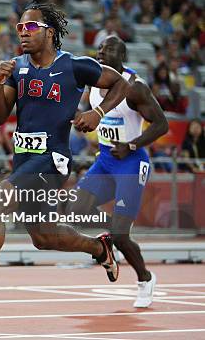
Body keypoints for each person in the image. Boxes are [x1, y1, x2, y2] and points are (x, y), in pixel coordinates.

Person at [0, 2, 129, 320]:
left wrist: (97, 112)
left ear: (49, 33)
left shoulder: (75, 66)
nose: (22, 34)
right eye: (19, 29)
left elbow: (121, 83)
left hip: (52, 159)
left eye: (30, 28)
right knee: (43, 237)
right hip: (24, 159)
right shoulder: (16, 68)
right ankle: (100, 247)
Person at [69, 35, 169, 308]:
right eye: (100, 47)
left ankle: (145, 279)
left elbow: (162, 125)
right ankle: (106, 243)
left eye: (109, 48)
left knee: (122, 235)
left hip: (131, 162)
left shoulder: (135, 88)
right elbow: (94, 114)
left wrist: (132, 144)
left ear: (121, 55)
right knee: (74, 210)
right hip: (105, 160)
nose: (101, 51)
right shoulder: (95, 81)